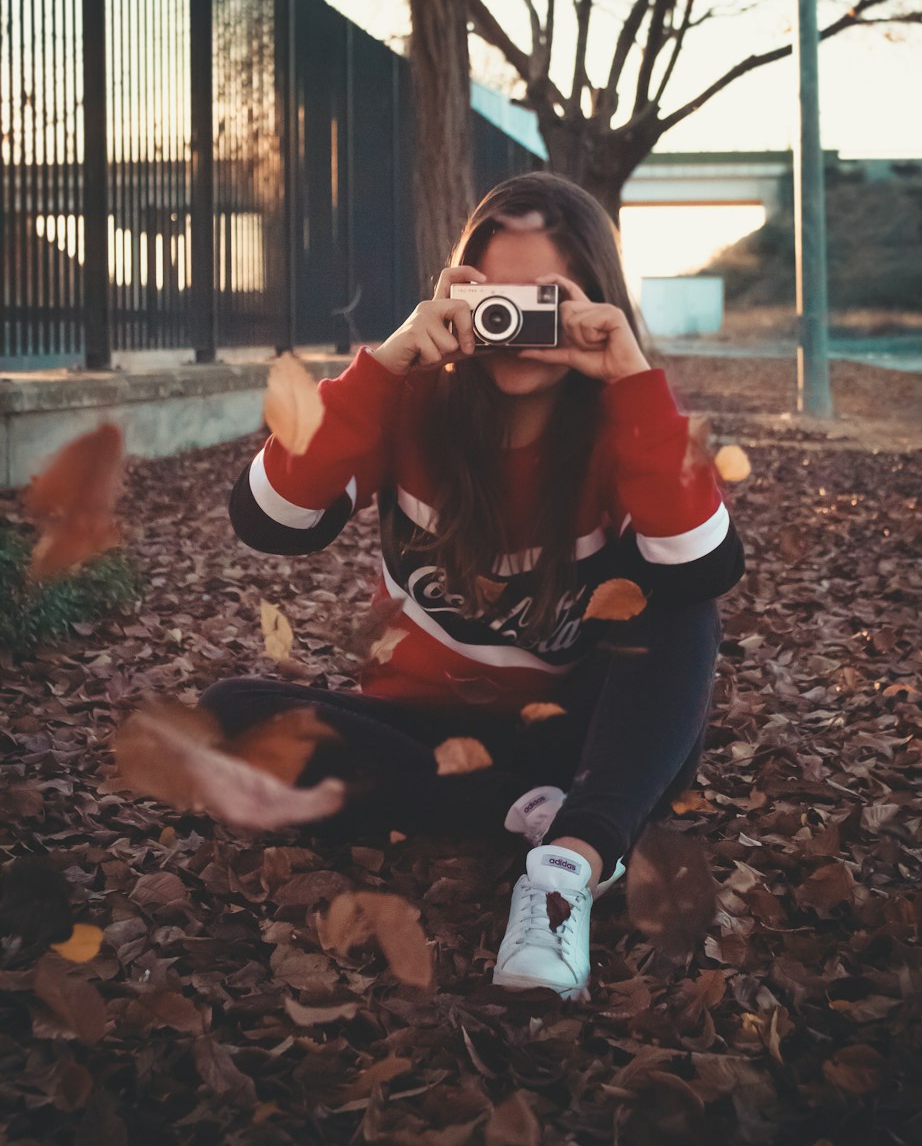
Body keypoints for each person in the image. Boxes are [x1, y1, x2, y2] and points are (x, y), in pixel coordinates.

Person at [199, 173, 745, 1001]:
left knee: (679, 607)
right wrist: (385, 362)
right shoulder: (409, 403)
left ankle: (565, 868)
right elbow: (271, 519)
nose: (517, 325)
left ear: (597, 302)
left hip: (580, 732)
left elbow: (703, 564)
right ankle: (529, 812)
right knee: (225, 718)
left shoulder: (624, 430)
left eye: (547, 298)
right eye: (494, 295)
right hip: (419, 734)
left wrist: (630, 374)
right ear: (455, 296)